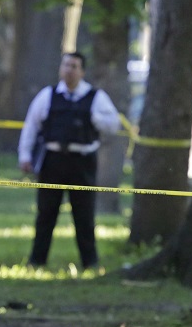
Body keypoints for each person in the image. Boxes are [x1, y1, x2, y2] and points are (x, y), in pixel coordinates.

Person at [17, 51, 121, 270]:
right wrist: (25, 155)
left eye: (74, 66)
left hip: (82, 161)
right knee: (46, 212)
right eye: (66, 65)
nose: (69, 70)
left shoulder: (96, 97)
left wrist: (94, 118)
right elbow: (31, 126)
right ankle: (37, 261)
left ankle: (90, 263)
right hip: (53, 160)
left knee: (84, 214)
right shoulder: (48, 95)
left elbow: (113, 125)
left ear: (82, 71)